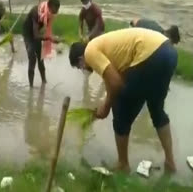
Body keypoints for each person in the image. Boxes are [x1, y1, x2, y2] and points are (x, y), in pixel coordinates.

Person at [69, 28, 177, 173]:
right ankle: (170, 163)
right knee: (156, 110)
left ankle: (123, 164)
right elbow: (114, 77)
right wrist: (107, 99)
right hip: (168, 52)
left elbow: (116, 84)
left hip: (150, 56)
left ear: (81, 59)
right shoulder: (101, 46)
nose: (83, 69)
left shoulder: (89, 52)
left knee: (120, 111)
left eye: (79, 66)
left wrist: (106, 107)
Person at [22, 0, 61, 88]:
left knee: (40, 58)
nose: (56, 12)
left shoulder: (48, 14)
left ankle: (44, 81)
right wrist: (50, 38)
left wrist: (51, 37)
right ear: (50, 6)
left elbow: (46, 30)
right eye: (55, 10)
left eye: (57, 10)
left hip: (36, 34)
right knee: (32, 58)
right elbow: (36, 35)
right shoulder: (36, 12)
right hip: (28, 34)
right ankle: (31, 87)